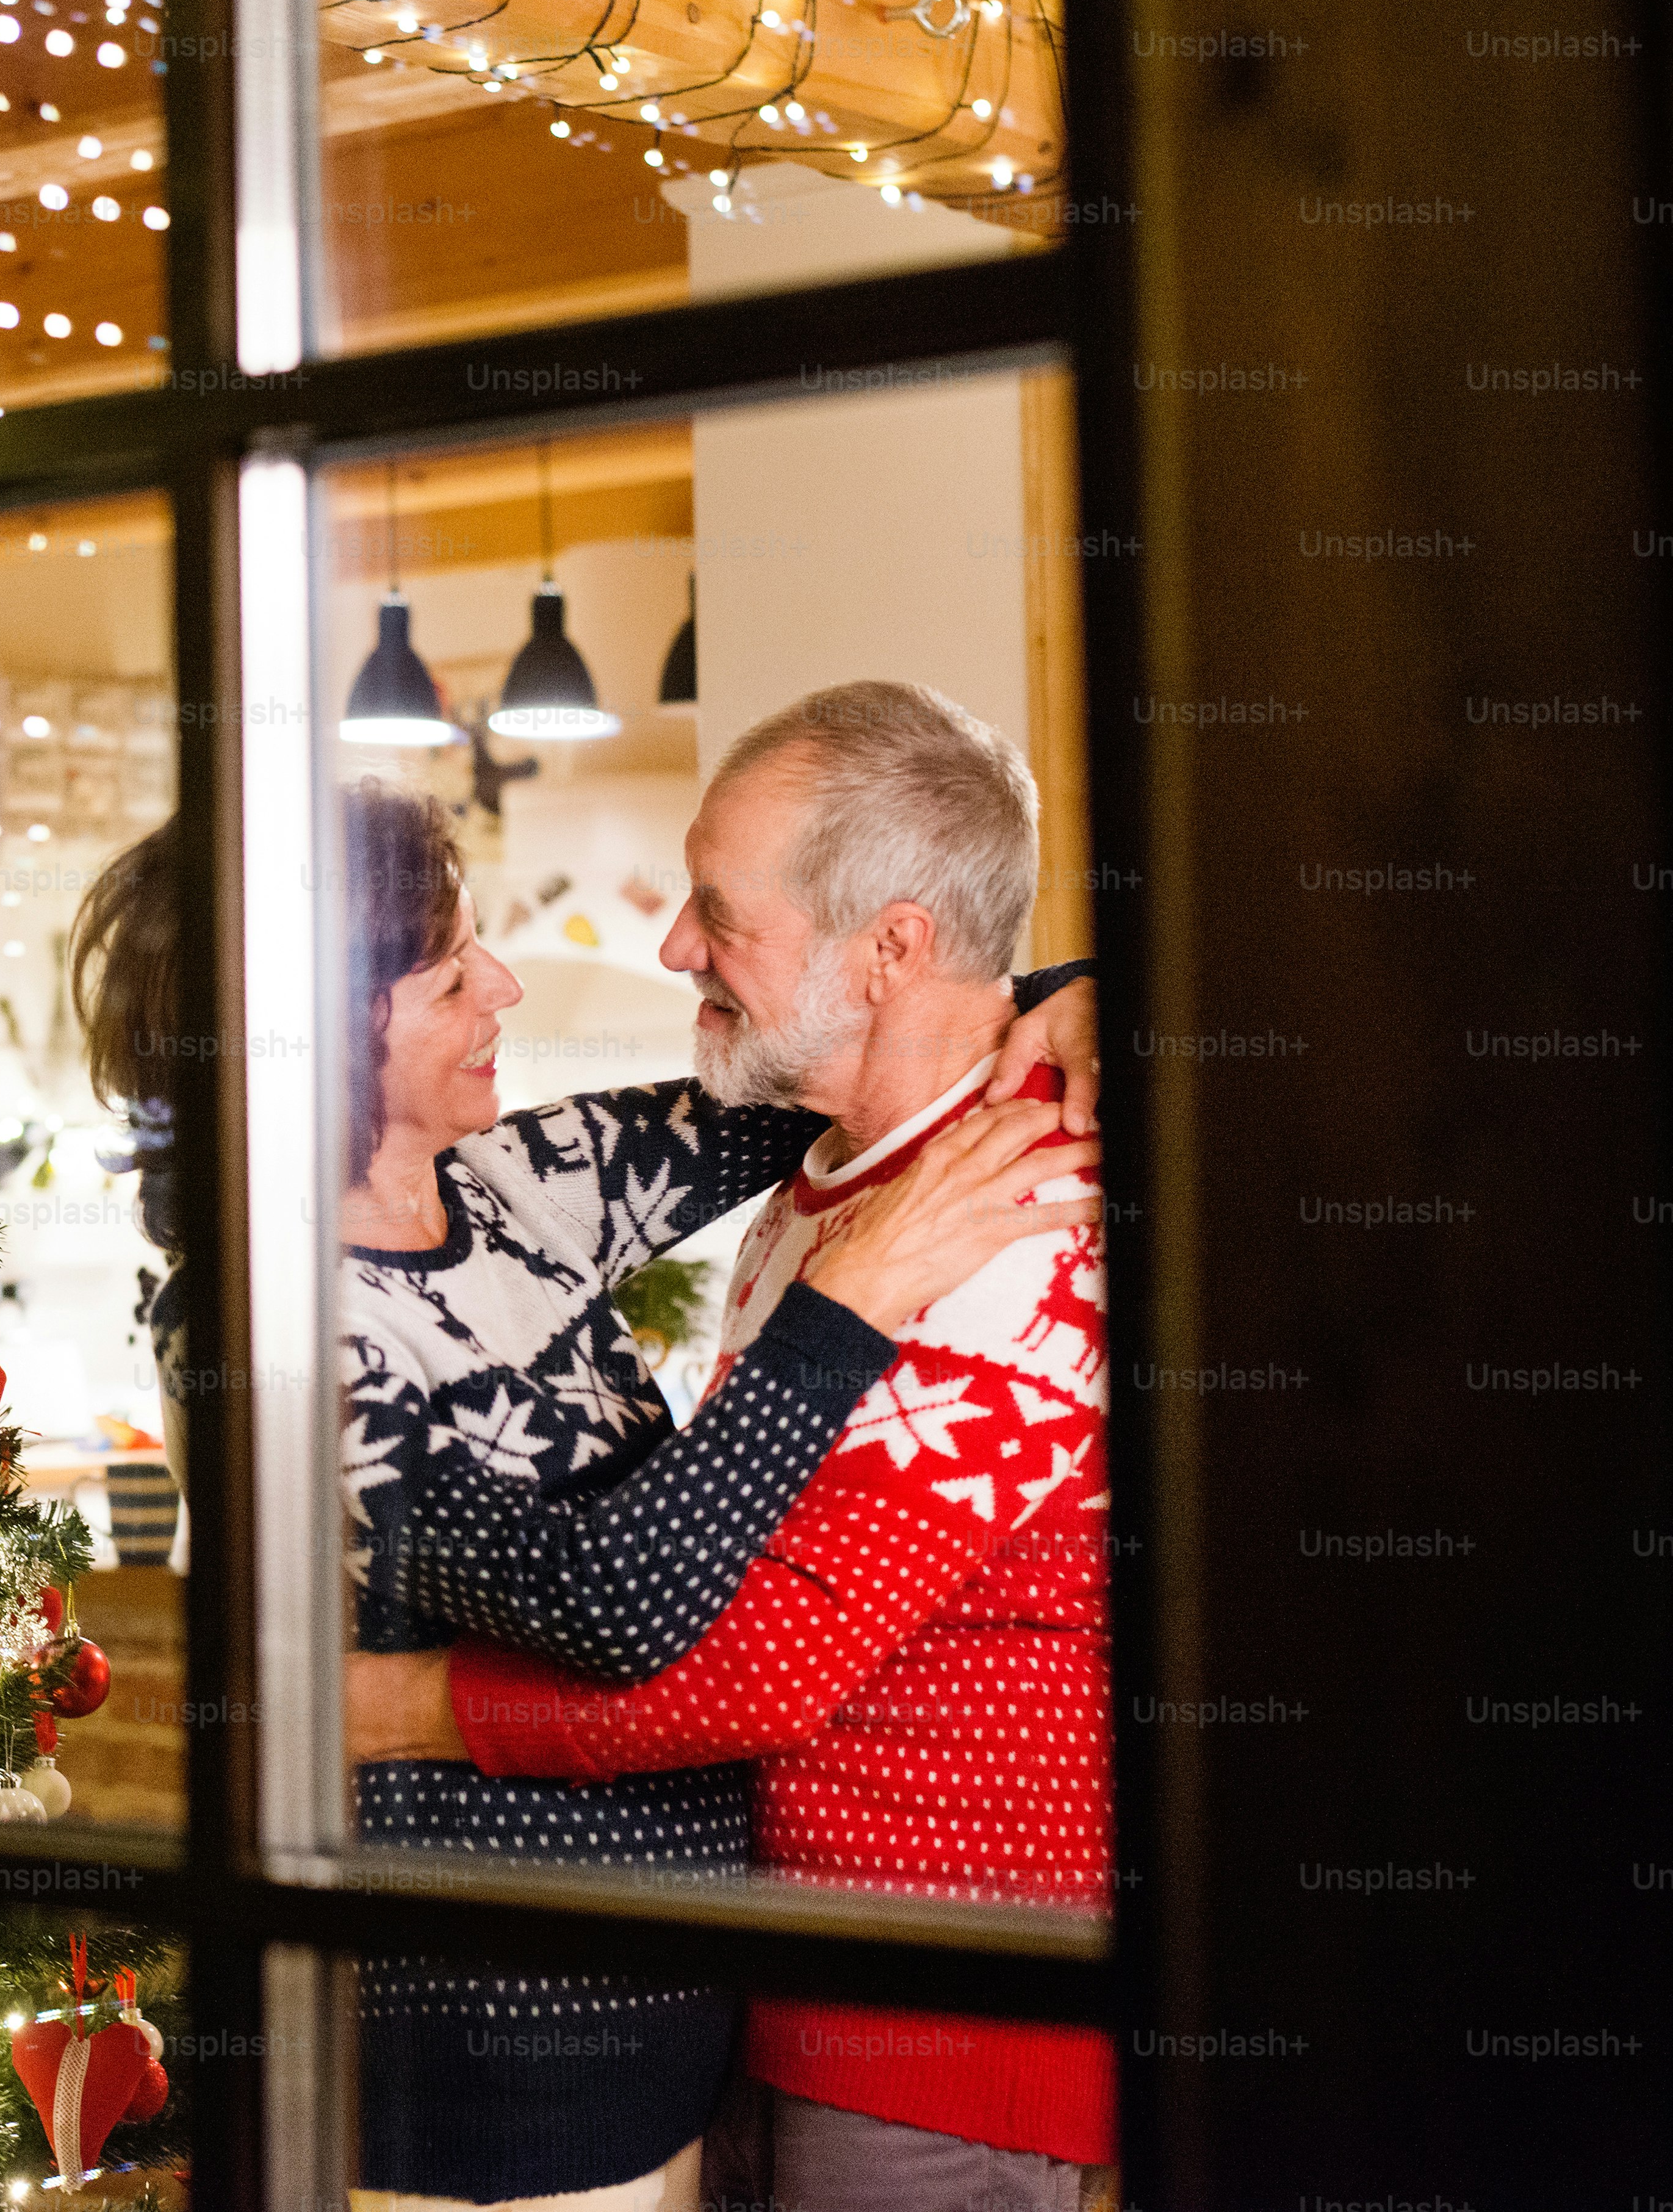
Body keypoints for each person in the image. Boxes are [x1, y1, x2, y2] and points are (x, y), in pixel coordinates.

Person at [70, 767, 1099, 2211]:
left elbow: (860, 1036)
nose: (500, 986)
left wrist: (1084, 994)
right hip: (482, 2087)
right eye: (445, 976)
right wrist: (848, 1301)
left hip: (685, 2049)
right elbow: (614, 1603)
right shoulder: (259, 1329)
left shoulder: (513, 1188)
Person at [347, 682, 1117, 2211]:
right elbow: (702, 1556)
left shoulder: (1019, 1227)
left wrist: (389, 1708)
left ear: (888, 947)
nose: (673, 947)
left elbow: (756, 1658)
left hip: (936, 2030)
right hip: (782, 2000)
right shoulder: (830, 1190)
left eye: (716, 910)